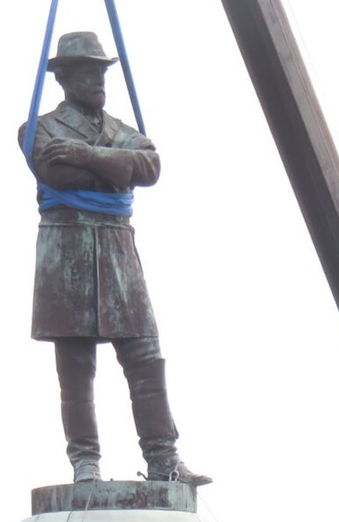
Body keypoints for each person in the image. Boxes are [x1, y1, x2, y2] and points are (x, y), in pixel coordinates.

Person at [18, 32, 208, 486]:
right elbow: (54, 171)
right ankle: (85, 463)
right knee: (76, 364)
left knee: (145, 355)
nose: (97, 80)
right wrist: (116, 168)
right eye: (86, 71)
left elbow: (151, 168)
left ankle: (164, 459)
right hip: (66, 251)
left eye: (101, 72)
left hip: (119, 253)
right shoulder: (38, 128)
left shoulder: (123, 131)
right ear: (63, 78)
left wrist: (89, 156)